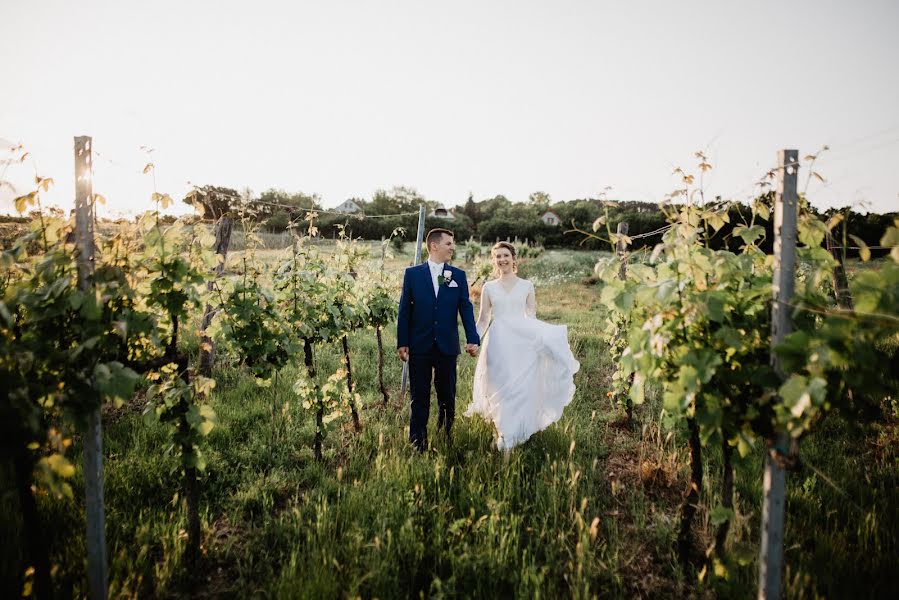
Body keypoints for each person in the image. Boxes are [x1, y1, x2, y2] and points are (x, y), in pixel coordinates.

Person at [464, 241, 580, 450]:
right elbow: (483, 320)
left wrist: (542, 343)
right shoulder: (488, 287)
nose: (502, 260)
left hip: (520, 343)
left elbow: (531, 317)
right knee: (497, 386)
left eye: (505, 255)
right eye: (498, 256)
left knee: (519, 388)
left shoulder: (527, 286)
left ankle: (513, 431)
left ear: (514, 258)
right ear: (494, 260)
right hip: (497, 343)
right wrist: (474, 340)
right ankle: (502, 430)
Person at [397, 228, 480, 452]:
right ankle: (418, 443)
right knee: (419, 396)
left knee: (447, 396)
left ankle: (445, 437)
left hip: (447, 346)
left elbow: (465, 308)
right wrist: (402, 341)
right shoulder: (412, 274)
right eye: (449, 243)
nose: (453, 247)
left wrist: (473, 338)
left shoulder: (457, 275)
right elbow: (404, 310)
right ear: (434, 246)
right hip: (419, 345)